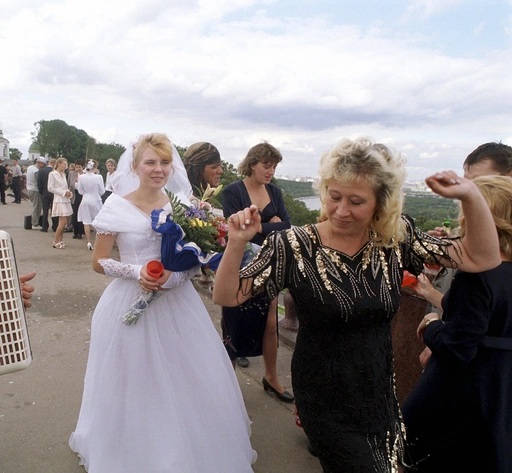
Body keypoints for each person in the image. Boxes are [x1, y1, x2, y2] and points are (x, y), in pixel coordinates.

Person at [213, 137, 501, 472]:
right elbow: (228, 295)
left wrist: (470, 196)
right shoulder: (293, 245)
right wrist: (236, 243)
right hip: (324, 395)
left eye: (356, 201)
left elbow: (481, 256)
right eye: (334, 197)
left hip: (379, 393)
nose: (341, 210)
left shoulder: (396, 237)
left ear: (381, 203)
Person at [69, 133, 256, 473]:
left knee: (184, 376)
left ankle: (184, 448)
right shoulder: (116, 206)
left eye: (165, 162)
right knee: (136, 380)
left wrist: (177, 277)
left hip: (178, 303)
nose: (158, 170)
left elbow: (195, 258)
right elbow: (99, 262)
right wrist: (137, 270)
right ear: (135, 166)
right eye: (151, 162)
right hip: (129, 303)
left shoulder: (183, 206)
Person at [401, 175, 512, 473]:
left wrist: (432, 323)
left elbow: (458, 348)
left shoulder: (476, 277)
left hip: (462, 399)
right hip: (500, 394)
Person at [220, 142, 293, 402]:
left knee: (271, 323)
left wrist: (260, 227)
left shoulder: (275, 191)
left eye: (274, 166)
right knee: (233, 324)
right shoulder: (233, 191)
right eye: (266, 165)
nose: (271, 170)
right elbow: (237, 229)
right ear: (252, 164)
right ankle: (227, 388)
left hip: (271, 264)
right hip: (240, 266)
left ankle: (271, 378)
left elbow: (287, 226)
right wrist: (268, 226)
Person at [75, 159, 104, 250]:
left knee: (86, 222)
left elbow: (80, 191)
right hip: (96, 200)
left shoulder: (82, 177)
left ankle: (88, 242)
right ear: (94, 167)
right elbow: (102, 191)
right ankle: (97, 242)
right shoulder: (98, 177)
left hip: (86, 199)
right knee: (98, 221)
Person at [47, 157, 73, 248]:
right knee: (63, 221)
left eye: (66, 165)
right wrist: (63, 193)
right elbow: (50, 188)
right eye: (64, 164)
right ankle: (55, 240)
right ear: (59, 164)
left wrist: (69, 193)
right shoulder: (52, 174)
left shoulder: (63, 174)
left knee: (63, 222)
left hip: (65, 199)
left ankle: (60, 239)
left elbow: (65, 186)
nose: (65, 166)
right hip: (59, 199)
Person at [25, 157, 45, 229]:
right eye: (43, 164)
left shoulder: (30, 167)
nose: (43, 166)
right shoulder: (36, 170)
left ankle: (34, 222)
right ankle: (35, 223)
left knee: (34, 205)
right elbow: (38, 180)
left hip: (29, 188)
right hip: (35, 189)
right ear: (40, 163)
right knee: (37, 206)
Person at [38, 158, 56, 232]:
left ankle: (44, 227)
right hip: (53, 192)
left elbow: (39, 183)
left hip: (45, 192)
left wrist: (41, 191)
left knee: (45, 210)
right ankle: (55, 226)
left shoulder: (41, 171)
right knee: (54, 210)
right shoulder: (54, 172)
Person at [68, 159, 85, 239]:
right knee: (74, 214)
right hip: (74, 194)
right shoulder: (72, 174)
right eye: (77, 167)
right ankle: (75, 232)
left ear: (83, 167)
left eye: (79, 167)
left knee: (81, 214)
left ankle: (80, 232)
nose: (78, 168)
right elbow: (69, 184)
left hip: (82, 195)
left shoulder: (85, 175)